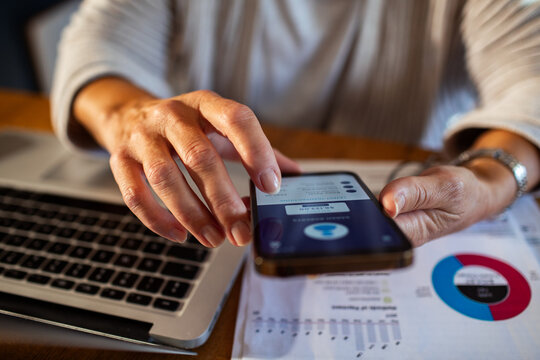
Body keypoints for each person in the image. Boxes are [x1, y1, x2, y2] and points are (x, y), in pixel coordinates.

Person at [51, 0, 540, 248]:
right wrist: (132, 117)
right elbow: (96, 49)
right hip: (203, 201)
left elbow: (532, 80)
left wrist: (493, 179)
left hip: (407, 197)